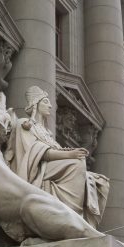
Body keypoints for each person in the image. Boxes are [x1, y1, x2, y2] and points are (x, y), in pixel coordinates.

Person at [6, 86, 110, 227]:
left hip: (51, 169)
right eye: (45, 102)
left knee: (100, 182)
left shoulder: (47, 132)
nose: (50, 105)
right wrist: (70, 154)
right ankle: (73, 216)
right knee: (77, 164)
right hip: (36, 170)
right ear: (35, 105)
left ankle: (81, 220)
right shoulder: (25, 125)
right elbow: (37, 152)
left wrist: (69, 152)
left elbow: (53, 151)